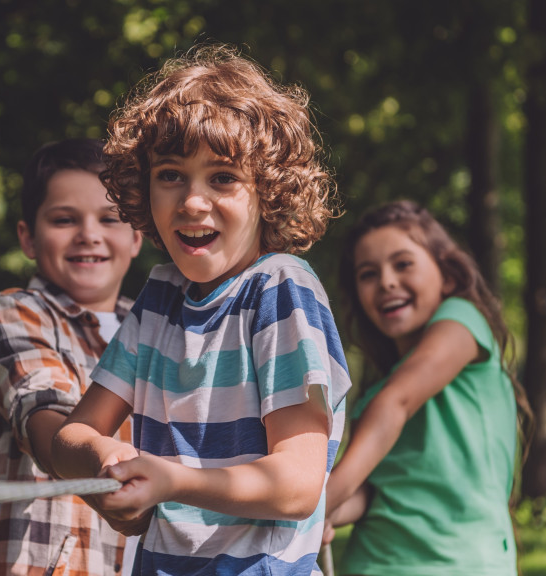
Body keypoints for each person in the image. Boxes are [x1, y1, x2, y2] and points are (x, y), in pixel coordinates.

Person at [50, 45, 352, 576]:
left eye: (223, 177)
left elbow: (298, 486)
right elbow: (69, 437)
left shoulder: (280, 289)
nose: (192, 201)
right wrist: (104, 460)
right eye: (170, 174)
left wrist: (173, 482)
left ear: (269, 192)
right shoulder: (160, 299)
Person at [0, 138, 143, 576]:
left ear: (136, 236)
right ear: (28, 238)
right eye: (64, 219)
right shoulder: (13, 313)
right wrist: (99, 458)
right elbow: (42, 414)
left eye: (109, 218)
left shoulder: (158, 330)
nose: (88, 234)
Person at [323, 200, 532, 576]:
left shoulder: (463, 321)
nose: (386, 281)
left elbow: (400, 400)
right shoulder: (375, 397)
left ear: (447, 276)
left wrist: (317, 504)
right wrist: (327, 512)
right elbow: (370, 493)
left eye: (403, 264)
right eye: (368, 274)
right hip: (372, 564)